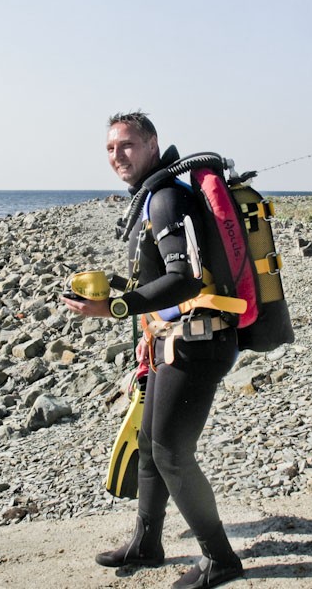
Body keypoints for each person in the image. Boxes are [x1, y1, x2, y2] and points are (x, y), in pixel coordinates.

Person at [61, 111, 244, 588]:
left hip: (199, 342)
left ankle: (219, 559)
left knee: (171, 451)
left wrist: (116, 309)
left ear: (151, 144)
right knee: (148, 443)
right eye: (109, 148)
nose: (117, 155)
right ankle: (147, 543)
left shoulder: (164, 199)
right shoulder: (155, 198)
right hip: (173, 340)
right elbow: (161, 276)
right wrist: (114, 292)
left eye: (126, 145)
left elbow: (183, 280)